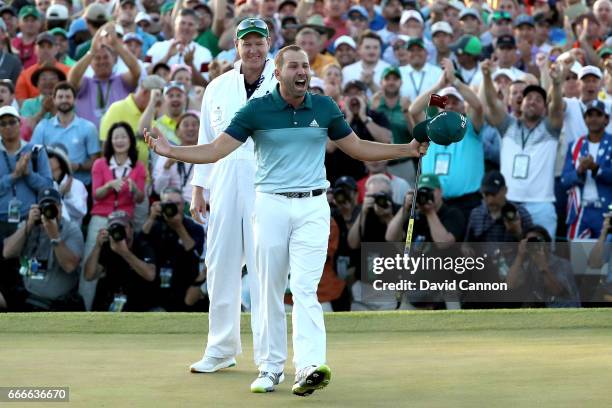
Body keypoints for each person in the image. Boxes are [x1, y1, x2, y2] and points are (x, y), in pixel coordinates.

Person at [145, 44, 429, 396]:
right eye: (293, 66)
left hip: (312, 208)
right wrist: (172, 150)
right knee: (270, 288)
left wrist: (406, 149)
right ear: (277, 73)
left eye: (305, 66)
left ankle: (308, 365)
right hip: (271, 206)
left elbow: (357, 147)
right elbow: (216, 149)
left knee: (306, 289)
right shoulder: (257, 110)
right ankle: (271, 367)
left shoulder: (324, 107)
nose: (301, 71)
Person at [186, 17, 277, 378]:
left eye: (259, 42)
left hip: (266, 183)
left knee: (262, 273)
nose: (253, 49)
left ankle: (268, 358)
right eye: (246, 42)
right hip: (223, 182)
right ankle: (221, 349)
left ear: (268, 44)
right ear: (236, 46)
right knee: (220, 266)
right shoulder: (218, 87)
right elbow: (206, 141)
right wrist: (198, 188)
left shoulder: (283, 83)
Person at [482, 58, 564, 240]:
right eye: (528, 98)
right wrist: (487, 76)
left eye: (538, 99)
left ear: (544, 108)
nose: (532, 102)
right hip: (509, 203)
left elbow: (557, 108)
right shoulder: (507, 126)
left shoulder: (551, 129)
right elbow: (492, 103)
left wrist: (557, 84)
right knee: (508, 258)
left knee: (542, 260)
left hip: (541, 205)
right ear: (521, 103)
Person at [82, 122, 146, 310]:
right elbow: (96, 195)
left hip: (125, 221)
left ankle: (120, 308)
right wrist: (110, 185)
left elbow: (141, 198)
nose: (119, 141)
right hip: (101, 219)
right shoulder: (100, 164)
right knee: (92, 260)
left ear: (130, 141)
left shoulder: (138, 167)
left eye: (123, 136)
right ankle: (85, 308)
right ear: (110, 141)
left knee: (120, 264)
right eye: (115, 137)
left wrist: (134, 188)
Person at [2, 188, 84, 310]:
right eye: (44, 206)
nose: (49, 210)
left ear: (61, 208)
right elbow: (7, 253)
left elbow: (70, 266)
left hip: (58, 303)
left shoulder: (71, 229)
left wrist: (54, 236)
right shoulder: (30, 224)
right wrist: (29, 223)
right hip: (27, 296)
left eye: (53, 206)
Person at [141, 187, 204, 311]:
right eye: (169, 203)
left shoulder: (194, 227)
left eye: (177, 204)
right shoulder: (156, 224)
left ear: (183, 206)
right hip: (155, 290)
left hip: (183, 289)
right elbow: (141, 241)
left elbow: (195, 254)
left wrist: (179, 227)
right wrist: (151, 217)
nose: (173, 207)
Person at [84, 210, 157, 311]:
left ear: (131, 229)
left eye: (123, 227)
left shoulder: (142, 244)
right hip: (110, 303)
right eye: (114, 228)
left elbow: (150, 274)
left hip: (136, 304)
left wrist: (124, 252)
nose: (119, 231)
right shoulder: (108, 246)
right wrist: (97, 246)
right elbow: (89, 276)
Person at [31, 82, 100, 186]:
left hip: (82, 186)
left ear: (75, 100)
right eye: (60, 97)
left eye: (68, 97)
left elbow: (96, 162)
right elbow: (34, 157)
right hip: (50, 186)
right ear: (54, 100)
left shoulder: (88, 127)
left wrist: (78, 166)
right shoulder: (43, 127)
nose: (64, 100)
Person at [348, 174, 400, 310]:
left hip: (390, 286)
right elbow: (353, 243)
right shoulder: (360, 210)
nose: (378, 199)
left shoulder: (399, 211)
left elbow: (405, 249)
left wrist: (389, 218)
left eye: (382, 195)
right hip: (364, 285)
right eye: (372, 196)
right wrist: (363, 213)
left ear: (391, 194)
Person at [0, 106, 53, 240]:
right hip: (1, 219)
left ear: (20, 124)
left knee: (27, 261)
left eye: (12, 122)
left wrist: (28, 174)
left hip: (29, 218)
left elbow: (48, 187)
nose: (8, 127)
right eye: (3, 123)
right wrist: (14, 176)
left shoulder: (36, 151)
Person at [561, 100, 612, 239]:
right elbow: (564, 180)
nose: (593, 119)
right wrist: (579, 171)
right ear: (585, 119)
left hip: (607, 212)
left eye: (598, 115)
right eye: (589, 115)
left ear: (606, 119)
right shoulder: (575, 145)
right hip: (579, 211)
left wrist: (595, 168)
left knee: (606, 259)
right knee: (578, 259)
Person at [507, 226, 580, 307]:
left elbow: (557, 291)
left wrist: (543, 267)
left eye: (537, 240)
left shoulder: (562, 264)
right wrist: (520, 256)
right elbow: (510, 285)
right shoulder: (528, 264)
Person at [466, 170, 533, 242]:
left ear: (505, 190)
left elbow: (532, 249)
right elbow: (467, 245)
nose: (490, 200)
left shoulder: (521, 214)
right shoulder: (476, 214)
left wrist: (517, 233)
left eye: (494, 194)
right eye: (486, 195)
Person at [153, 111, 199, 203]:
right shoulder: (166, 154)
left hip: (204, 210)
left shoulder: (209, 155)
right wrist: (166, 168)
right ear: (177, 132)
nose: (190, 128)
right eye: (186, 125)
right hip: (175, 209)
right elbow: (158, 190)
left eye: (194, 125)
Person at [46, 143, 88, 227]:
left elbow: (81, 212)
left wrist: (68, 194)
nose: (47, 159)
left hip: (71, 232)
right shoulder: (41, 183)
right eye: (45, 156)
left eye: (51, 156)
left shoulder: (77, 184)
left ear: (62, 160)